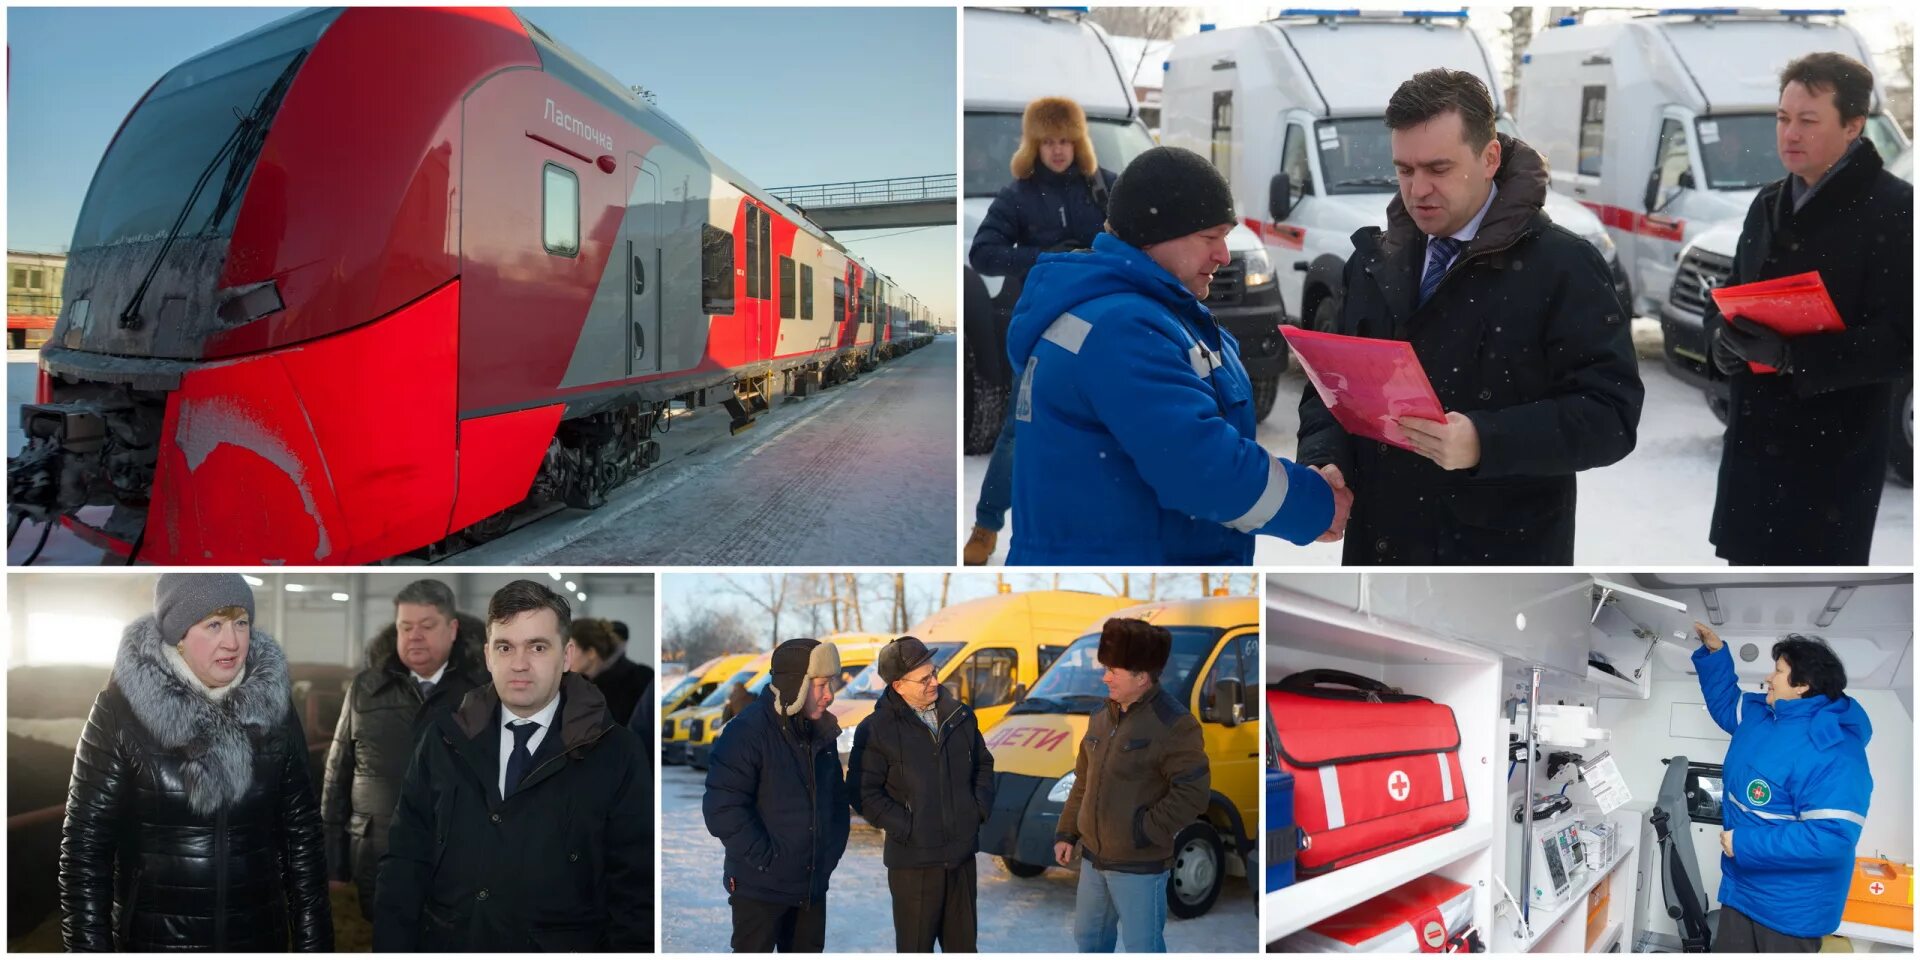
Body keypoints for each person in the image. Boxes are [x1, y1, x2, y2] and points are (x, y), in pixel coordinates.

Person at [1297, 68, 1643, 565]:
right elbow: (1328, 391)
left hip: (1497, 559)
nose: (1418, 190)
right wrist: (1324, 460)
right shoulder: (1373, 261)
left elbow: (1612, 416)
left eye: (1437, 168)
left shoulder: (1562, 266)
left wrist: (1484, 441)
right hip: (1382, 551)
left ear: (1489, 158)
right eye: (1404, 169)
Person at [1003, 145, 1342, 564]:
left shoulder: (1129, 312)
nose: (1222, 254)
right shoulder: (1125, 329)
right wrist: (1314, 504)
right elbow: (1201, 468)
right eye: (1210, 237)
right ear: (1156, 236)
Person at [1707, 52, 1912, 564]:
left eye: (1807, 120)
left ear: (1854, 126)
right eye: (1782, 118)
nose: (1789, 134)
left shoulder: (1894, 208)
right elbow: (1733, 292)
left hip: (1830, 463)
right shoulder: (1767, 200)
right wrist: (1723, 342)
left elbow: (1901, 341)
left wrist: (1794, 357)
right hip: (1754, 452)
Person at [373, 580, 652, 951]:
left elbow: (635, 891)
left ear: (566, 655)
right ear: (489, 655)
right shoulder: (442, 740)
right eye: (506, 647)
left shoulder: (617, 753)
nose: (519, 664)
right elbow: (405, 862)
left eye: (537, 647)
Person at [59, 573, 332, 951]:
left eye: (241, 622)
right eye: (214, 624)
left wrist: (314, 946)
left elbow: (302, 837)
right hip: (155, 940)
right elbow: (85, 852)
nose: (233, 641)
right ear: (178, 635)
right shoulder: (119, 715)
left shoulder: (275, 712)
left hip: (258, 937)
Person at [964, 95, 1120, 565]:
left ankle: (1100, 526)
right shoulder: (1019, 194)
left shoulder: (1106, 188)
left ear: (1079, 141)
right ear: (1034, 144)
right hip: (1042, 325)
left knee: (1108, 424)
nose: (1057, 150)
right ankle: (987, 526)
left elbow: (1142, 241)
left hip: (1103, 323)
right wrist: (1052, 258)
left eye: (1065, 140)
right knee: (1019, 428)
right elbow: (983, 254)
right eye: (1048, 141)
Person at [1691, 622, 1872, 951]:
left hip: (1790, 910)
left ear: (1802, 684)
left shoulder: (1835, 750)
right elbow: (1724, 702)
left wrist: (1744, 843)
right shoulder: (1763, 714)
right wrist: (1715, 655)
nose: (1768, 678)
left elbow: (1831, 838)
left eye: (1778, 671)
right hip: (1740, 888)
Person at [323, 578, 489, 920]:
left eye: (427, 626)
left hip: (460, 858)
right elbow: (336, 777)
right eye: (406, 626)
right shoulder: (365, 688)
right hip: (377, 854)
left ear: (453, 628)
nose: (415, 635)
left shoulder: (484, 693)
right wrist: (334, 861)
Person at [1054, 619, 1209, 953]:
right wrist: (1068, 832)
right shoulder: (1101, 716)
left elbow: (1192, 792)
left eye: (1114, 671)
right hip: (1094, 862)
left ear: (1142, 677)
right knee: (1090, 941)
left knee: (1143, 948)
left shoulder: (1174, 723)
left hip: (1139, 868)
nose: (1104, 677)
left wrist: (1142, 832)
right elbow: (1083, 779)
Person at [703, 638, 852, 952]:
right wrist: (767, 861)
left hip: (810, 887)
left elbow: (837, 802)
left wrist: (827, 854)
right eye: (822, 685)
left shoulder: (821, 732)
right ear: (795, 685)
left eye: (831, 684)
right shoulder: (746, 731)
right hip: (760, 889)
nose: (830, 695)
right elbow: (722, 809)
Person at [849, 636, 996, 951]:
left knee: (964, 949)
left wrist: (976, 808)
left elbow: (984, 765)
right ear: (899, 685)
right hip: (913, 866)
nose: (936, 682)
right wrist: (907, 826)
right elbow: (863, 792)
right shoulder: (876, 728)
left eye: (935, 672)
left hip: (960, 860)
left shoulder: (961, 717)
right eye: (925, 678)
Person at [566, 617, 647, 726]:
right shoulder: (578, 686)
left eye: (571, 649)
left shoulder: (638, 680)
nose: (565, 657)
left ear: (591, 653)